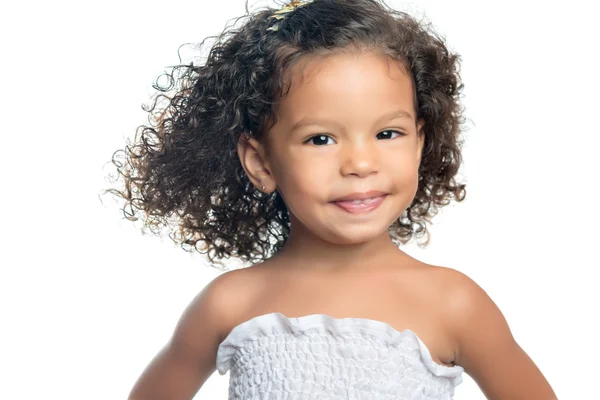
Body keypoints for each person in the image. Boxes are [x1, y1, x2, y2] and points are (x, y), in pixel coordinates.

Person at [104, 0, 557, 398]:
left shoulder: (454, 303)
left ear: (420, 143)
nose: (360, 163)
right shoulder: (230, 304)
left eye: (387, 133)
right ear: (261, 162)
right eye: (320, 139)